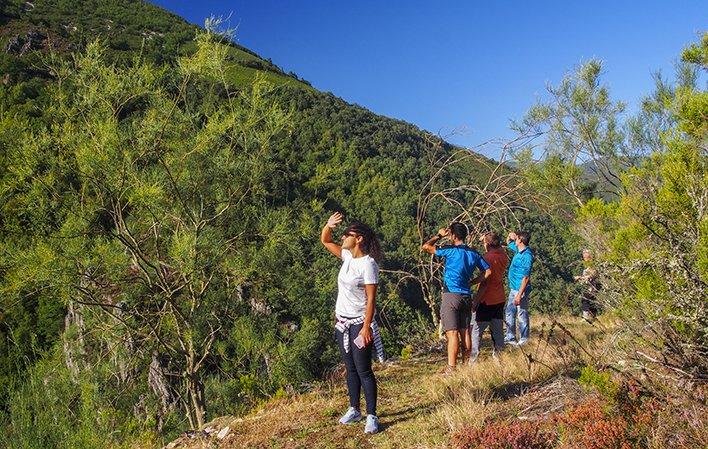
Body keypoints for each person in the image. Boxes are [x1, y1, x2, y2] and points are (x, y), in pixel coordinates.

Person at [320, 212, 383, 434]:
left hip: (359, 322)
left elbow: (372, 299)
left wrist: (366, 327)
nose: (344, 236)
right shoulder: (347, 257)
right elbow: (326, 240)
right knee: (350, 368)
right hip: (342, 322)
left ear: (359, 239)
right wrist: (328, 225)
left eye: (348, 234)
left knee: (364, 369)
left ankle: (372, 415)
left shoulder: (368, 264)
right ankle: (354, 408)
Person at [422, 222, 491, 372]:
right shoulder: (474, 254)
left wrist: (439, 235)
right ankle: (466, 366)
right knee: (465, 331)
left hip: (451, 295)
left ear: (453, 235)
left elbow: (426, 247)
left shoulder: (450, 250)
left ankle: (451, 368)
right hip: (466, 295)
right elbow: (488, 272)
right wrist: (473, 282)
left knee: (452, 333)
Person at [469, 232, 509, 362]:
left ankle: (473, 359)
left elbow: (485, 282)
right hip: (500, 297)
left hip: (487, 298)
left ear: (487, 244)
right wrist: (487, 239)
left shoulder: (488, 258)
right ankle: (499, 357)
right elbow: (499, 246)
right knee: (497, 330)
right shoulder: (503, 255)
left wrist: (476, 300)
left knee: (476, 330)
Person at [504, 231, 534, 346]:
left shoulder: (527, 256)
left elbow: (526, 277)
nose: (514, 240)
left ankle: (524, 339)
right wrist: (510, 236)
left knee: (521, 313)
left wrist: (519, 294)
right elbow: (508, 243)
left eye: (517, 239)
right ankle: (510, 336)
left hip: (520, 289)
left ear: (520, 241)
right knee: (509, 312)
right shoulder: (518, 250)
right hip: (513, 288)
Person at [575, 248, 600, 322]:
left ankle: (586, 317)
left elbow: (594, 274)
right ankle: (592, 317)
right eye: (584, 256)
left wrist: (581, 277)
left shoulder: (593, 265)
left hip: (594, 286)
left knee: (585, 299)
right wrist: (580, 278)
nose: (584, 257)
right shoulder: (588, 265)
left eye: (585, 256)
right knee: (590, 301)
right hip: (589, 286)